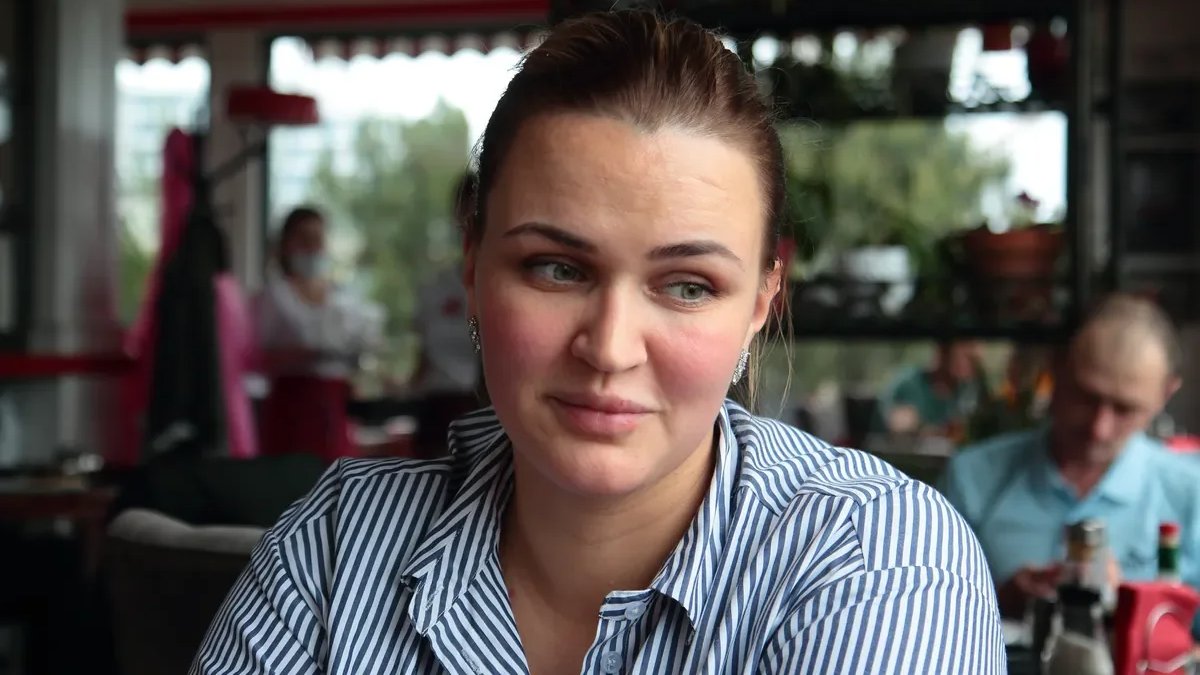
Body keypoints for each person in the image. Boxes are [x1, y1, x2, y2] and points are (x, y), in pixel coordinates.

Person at [193, 11, 1003, 673]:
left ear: (762, 301)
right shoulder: (338, 549)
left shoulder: (878, 562)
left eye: (687, 285)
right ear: (473, 264)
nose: (610, 348)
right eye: (556, 268)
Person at [940, 293, 1199, 624]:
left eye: (1125, 409)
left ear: (1165, 394)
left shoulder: (1191, 495)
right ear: (1057, 367)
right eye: (1085, 397)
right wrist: (995, 601)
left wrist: (1131, 612)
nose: (1099, 428)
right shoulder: (972, 478)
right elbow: (922, 614)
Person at [255, 206, 381, 462]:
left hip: (334, 408)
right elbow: (258, 358)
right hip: (292, 407)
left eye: (317, 239)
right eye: (304, 238)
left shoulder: (342, 297)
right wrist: (307, 354)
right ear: (286, 244)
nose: (312, 246)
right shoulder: (274, 295)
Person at [408, 171, 483, 456]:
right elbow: (424, 358)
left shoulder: (509, 286)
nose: (470, 220)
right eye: (464, 210)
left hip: (483, 407)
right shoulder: (436, 287)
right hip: (438, 410)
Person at [874, 340, 985, 439]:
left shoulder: (967, 390)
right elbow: (894, 421)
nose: (972, 366)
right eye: (967, 357)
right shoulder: (908, 383)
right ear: (943, 352)